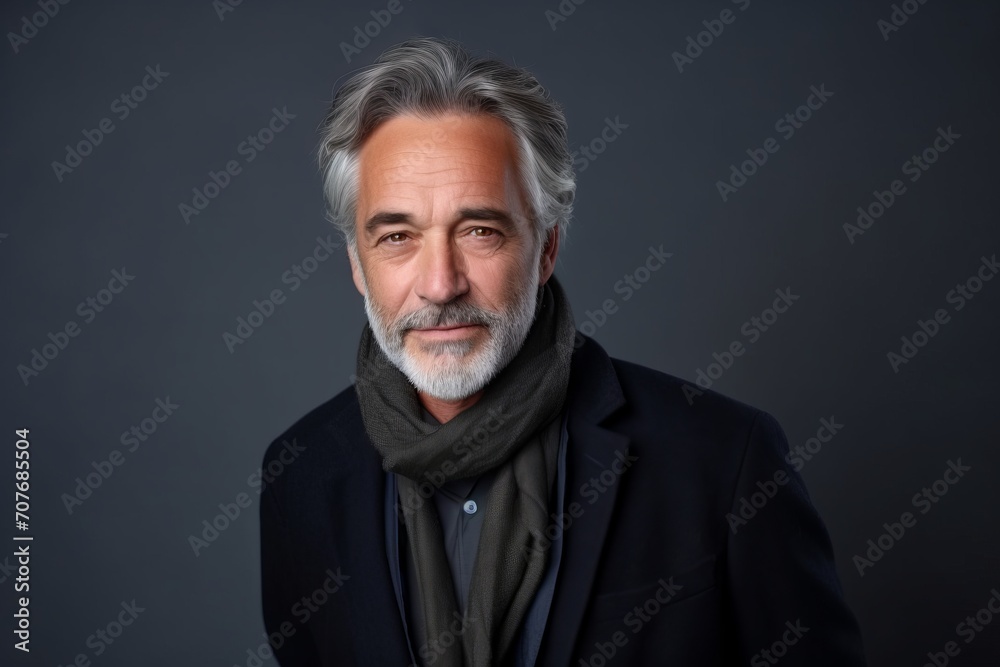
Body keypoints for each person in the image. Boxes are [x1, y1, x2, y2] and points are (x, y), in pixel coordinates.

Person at [259, 36, 867, 667]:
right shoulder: (302, 478)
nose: (440, 284)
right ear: (359, 265)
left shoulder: (722, 460)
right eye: (397, 237)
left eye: (479, 231)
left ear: (546, 249)